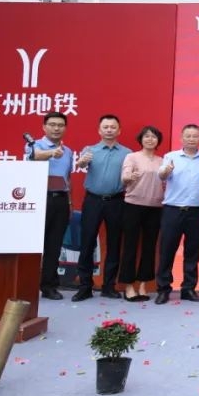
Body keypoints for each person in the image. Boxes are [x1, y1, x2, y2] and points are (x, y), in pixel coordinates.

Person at [73, 114, 131, 301]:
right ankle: (85, 286)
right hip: (93, 201)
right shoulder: (90, 150)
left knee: (114, 243)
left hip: (116, 201)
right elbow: (81, 163)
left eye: (113, 127)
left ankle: (109, 286)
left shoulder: (127, 153)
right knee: (87, 242)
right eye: (105, 127)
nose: (109, 130)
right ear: (99, 130)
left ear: (119, 130)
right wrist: (82, 162)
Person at [154, 124, 199, 305]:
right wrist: (165, 171)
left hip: (196, 211)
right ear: (181, 138)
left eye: (195, 136)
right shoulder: (171, 157)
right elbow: (162, 176)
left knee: (192, 252)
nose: (191, 139)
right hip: (173, 210)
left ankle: (188, 288)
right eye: (188, 136)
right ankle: (163, 289)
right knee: (167, 250)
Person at [28, 112, 73, 300]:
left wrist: (69, 202)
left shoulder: (68, 151)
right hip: (39, 199)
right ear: (44, 127)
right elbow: (34, 156)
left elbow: (67, 178)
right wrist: (51, 153)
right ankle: (26, 285)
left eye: (60, 125)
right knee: (32, 245)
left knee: (54, 245)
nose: (56, 128)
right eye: (52, 124)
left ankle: (49, 286)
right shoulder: (34, 145)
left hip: (60, 200)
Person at [119, 125, 165, 302]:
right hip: (133, 205)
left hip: (155, 207)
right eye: (146, 136)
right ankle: (129, 286)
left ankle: (144, 284)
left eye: (153, 136)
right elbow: (125, 176)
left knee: (149, 247)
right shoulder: (132, 157)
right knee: (130, 246)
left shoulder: (162, 160)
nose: (150, 139)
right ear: (141, 139)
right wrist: (128, 177)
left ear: (158, 140)